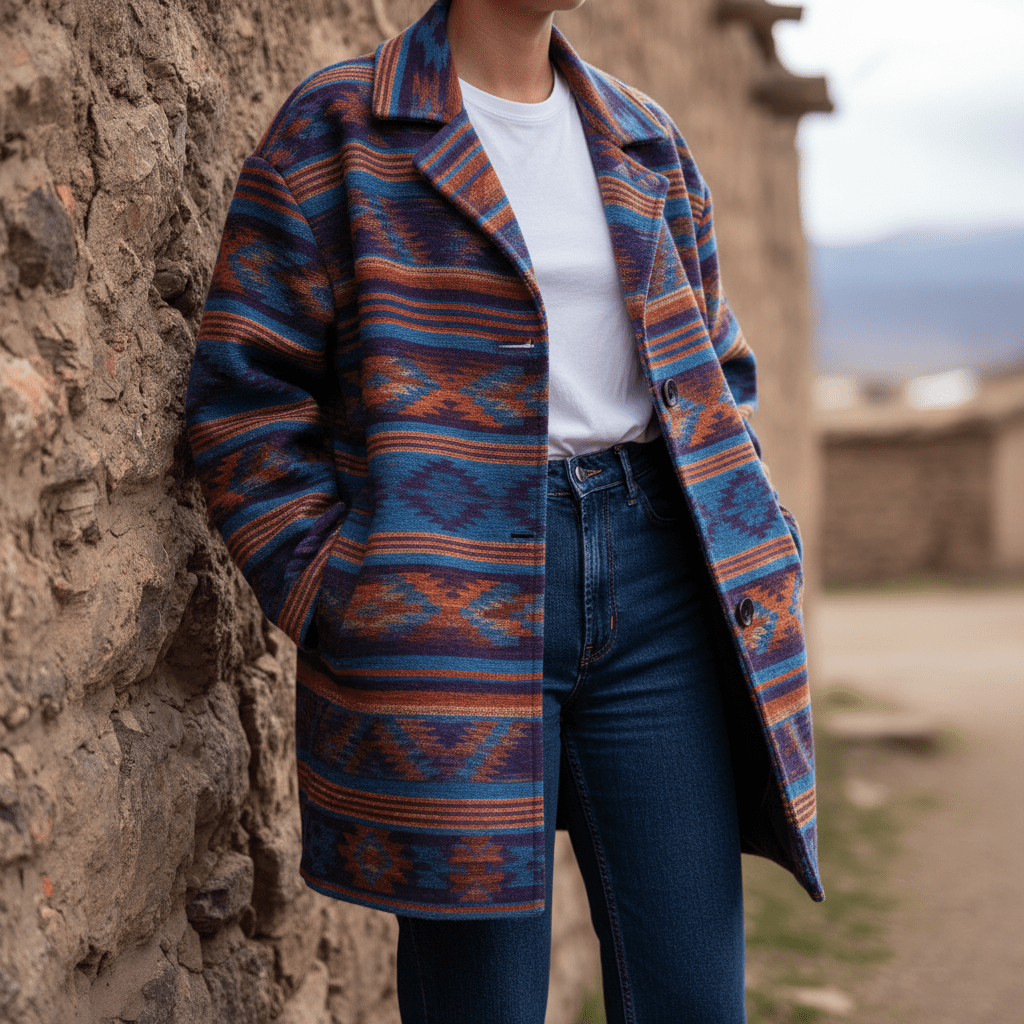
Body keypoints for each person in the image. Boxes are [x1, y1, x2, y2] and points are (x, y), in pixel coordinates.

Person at [185, 0, 823, 1020]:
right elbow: (243, 403)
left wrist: (758, 531)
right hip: (447, 615)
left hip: (657, 590)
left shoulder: (643, 135)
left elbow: (717, 369)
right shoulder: (341, 125)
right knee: (482, 1001)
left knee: (694, 997)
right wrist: (345, 593)